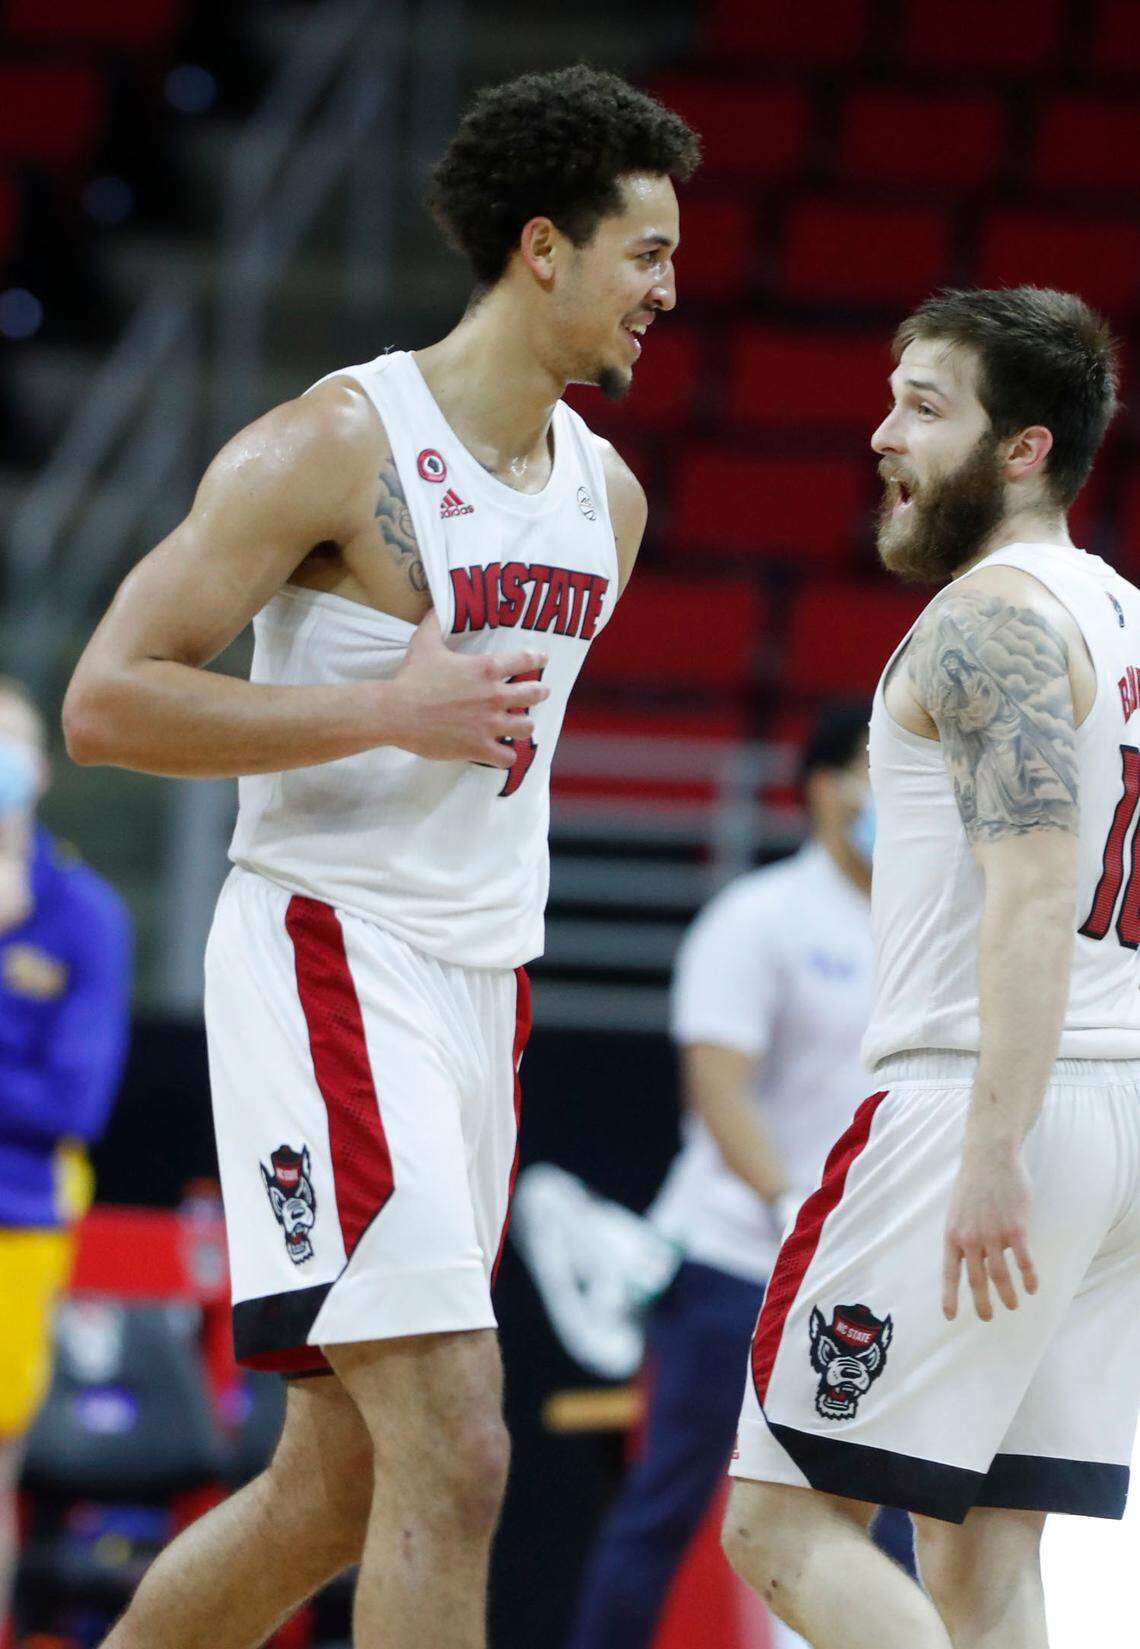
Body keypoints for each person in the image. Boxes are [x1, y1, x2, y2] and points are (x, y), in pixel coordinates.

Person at [62, 65, 699, 1649]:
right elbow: (103, 701)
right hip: (327, 952)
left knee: (335, 1492)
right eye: (646, 252)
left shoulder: (608, 502)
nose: (670, 292)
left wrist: (425, 731)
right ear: (544, 248)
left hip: (485, 987)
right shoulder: (334, 444)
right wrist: (382, 711)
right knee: (463, 1442)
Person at [721, 285, 1140, 1649]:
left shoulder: (991, 622)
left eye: (923, 405)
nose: (881, 435)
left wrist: (993, 1144)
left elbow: (1031, 896)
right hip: (1119, 1111)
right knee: (979, 1554)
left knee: (777, 1524)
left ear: (1021, 448)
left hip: (990, 1096)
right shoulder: (1124, 617)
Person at [516, 703, 916, 1649]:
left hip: (867, 1273)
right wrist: (790, 1209)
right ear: (828, 788)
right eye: (885, 769)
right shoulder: (759, 918)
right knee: (670, 1500)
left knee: (891, 1513)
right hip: (737, 1259)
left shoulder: (931, 931)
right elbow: (718, 1088)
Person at [0, 678, 131, 1635]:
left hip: (18, 1218)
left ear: (40, 770)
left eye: (11, 745)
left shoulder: (85, 914)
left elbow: (72, 1101)